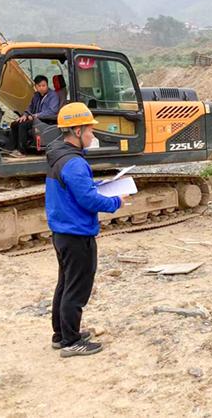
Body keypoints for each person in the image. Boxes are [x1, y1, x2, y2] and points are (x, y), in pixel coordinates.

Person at [45, 102, 124, 358]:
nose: (93, 135)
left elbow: (77, 190)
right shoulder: (75, 163)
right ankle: (71, 342)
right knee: (77, 289)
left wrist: (96, 186)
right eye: (90, 130)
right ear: (77, 131)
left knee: (65, 284)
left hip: (62, 233)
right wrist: (116, 201)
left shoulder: (59, 156)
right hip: (77, 234)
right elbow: (88, 200)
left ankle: (61, 335)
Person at [8, 75, 60, 156]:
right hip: (35, 119)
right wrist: (25, 115)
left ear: (47, 85)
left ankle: (22, 151)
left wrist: (36, 115)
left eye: (44, 85)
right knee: (15, 124)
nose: (42, 88)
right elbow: (30, 107)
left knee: (23, 125)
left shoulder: (53, 95)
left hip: (46, 120)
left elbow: (52, 111)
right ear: (35, 86)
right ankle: (14, 148)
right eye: (39, 86)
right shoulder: (36, 95)